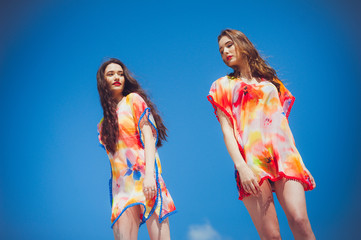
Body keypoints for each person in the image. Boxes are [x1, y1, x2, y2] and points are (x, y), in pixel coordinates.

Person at [207, 29, 316, 240]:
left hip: (285, 156)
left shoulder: (272, 83)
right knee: (272, 236)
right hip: (251, 160)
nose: (225, 51)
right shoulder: (222, 85)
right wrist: (241, 166)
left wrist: (300, 162)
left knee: (300, 220)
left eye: (229, 45)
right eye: (221, 50)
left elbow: (281, 124)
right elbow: (227, 130)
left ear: (242, 43)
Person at [97, 58, 176, 240]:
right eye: (111, 74)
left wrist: (150, 176)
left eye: (120, 73)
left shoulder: (133, 100)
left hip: (146, 178)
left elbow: (149, 138)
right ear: (103, 81)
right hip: (122, 191)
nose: (117, 77)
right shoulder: (102, 126)